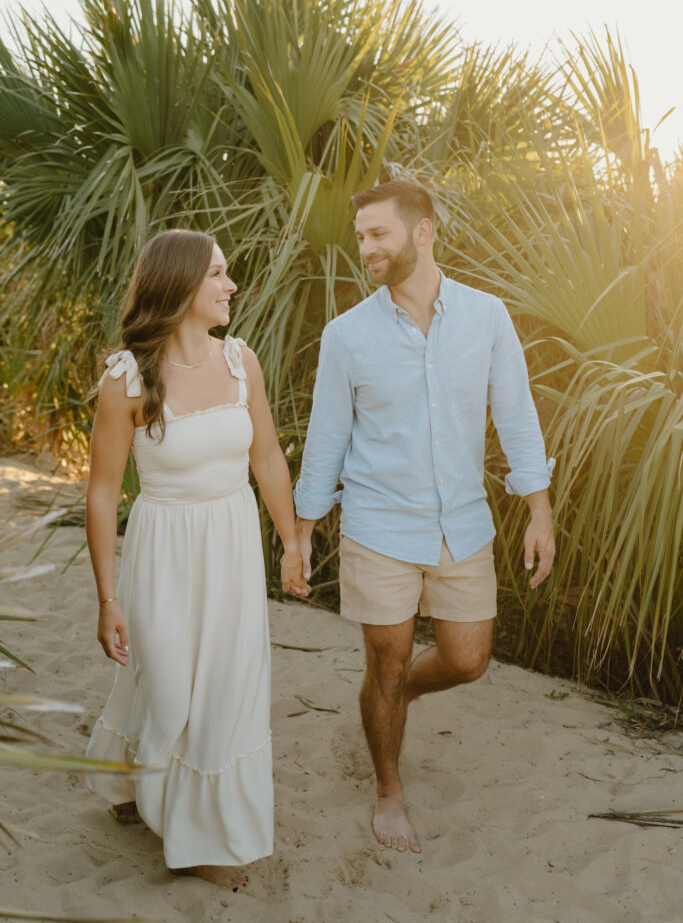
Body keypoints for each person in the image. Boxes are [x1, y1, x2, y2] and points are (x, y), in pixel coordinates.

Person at [294, 181, 555, 855]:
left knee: (468, 660)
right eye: (361, 238)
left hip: (462, 524)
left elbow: (516, 417)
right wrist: (302, 529)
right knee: (383, 664)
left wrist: (538, 510)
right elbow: (325, 438)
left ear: (423, 232)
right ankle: (388, 790)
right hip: (378, 524)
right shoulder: (346, 336)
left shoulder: (487, 317)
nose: (366, 249)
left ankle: (392, 702)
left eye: (377, 234)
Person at [84, 229, 309, 891]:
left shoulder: (242, 361)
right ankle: (135, 779)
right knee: (170, 684)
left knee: (224, 691)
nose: (230, 285)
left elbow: (264, 457)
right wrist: (107, 598)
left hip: (233, 545)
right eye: (217, 274)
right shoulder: (127, 379)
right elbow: (100, 494)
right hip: (164, 550)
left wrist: (290, 539)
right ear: (181, 286)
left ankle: (198, 839)